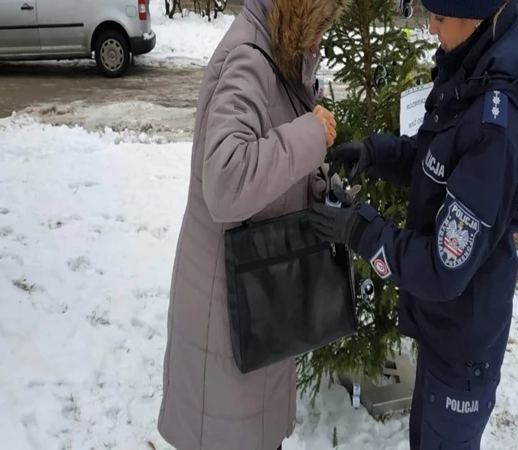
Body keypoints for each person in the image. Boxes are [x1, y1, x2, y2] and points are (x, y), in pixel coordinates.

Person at [308, 1, 518, 449]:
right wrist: (375, 153)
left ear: (476, 16)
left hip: (464, 346)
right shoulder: (469, 71)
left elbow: (444, 268)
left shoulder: (494, 132)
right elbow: (435, 162)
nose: (430, 26)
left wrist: (360, 230)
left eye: (439, 16)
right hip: (442, 330)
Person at [156, 0, 348, 449]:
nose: (320, 39)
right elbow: (227, 180)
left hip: (256, 299)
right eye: (318, 25)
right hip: (226, 312)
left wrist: (327, 187)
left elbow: (271, 163)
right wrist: (310, 135)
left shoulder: (274, 51)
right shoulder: (248, 56)